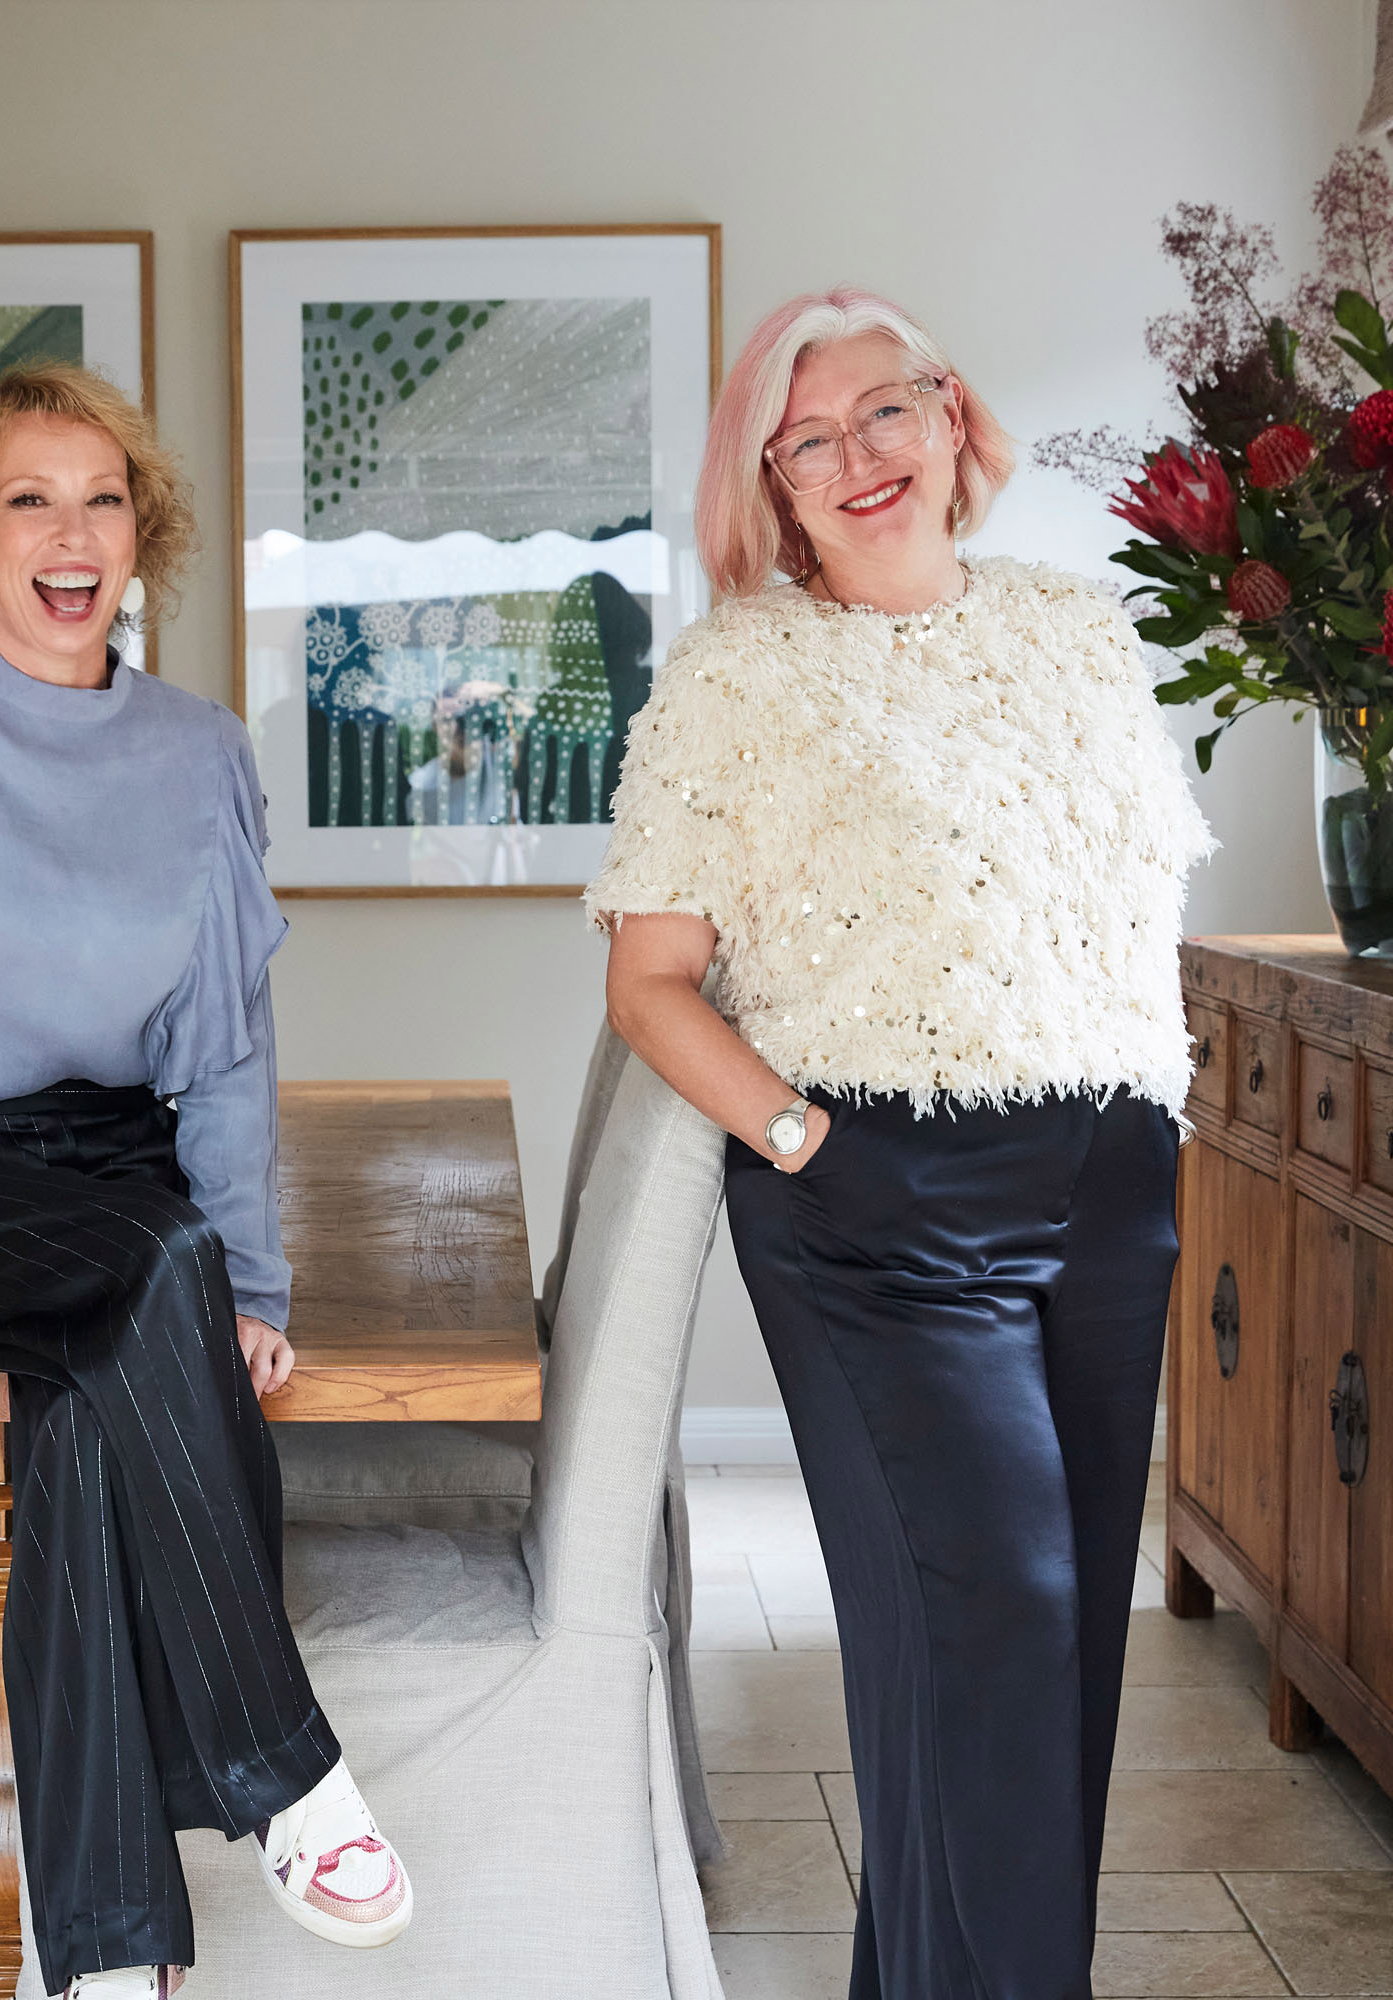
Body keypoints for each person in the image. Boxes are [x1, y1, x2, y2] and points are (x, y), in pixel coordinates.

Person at [587, 288, 1212, 2000]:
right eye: (809, 439)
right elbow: (649, 982)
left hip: (1108, 1189)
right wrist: (810, 1143)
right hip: (881, 1204)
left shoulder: (1079, 631)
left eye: (887, 409)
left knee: (1052, 1652)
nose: (859, 455)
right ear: (771, 487)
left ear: (950, 417)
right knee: (995, 1618)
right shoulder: (740, 673)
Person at [0, 363, 413, 2000]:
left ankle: (110, 1957)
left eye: (103, 500)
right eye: (29, 500)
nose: (71, 536)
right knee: (152, 1274)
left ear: (143, 537)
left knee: (89, 1417)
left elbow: (228, 1054)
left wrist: (251, 1281)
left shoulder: (199, 756)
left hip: (128, 1175)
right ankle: (283, 1768)